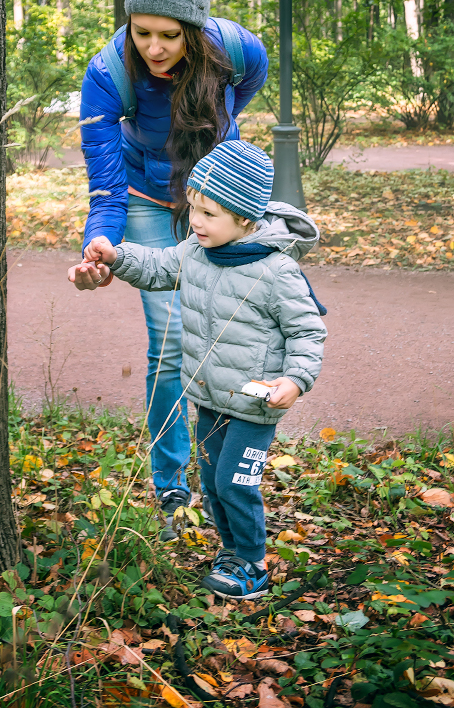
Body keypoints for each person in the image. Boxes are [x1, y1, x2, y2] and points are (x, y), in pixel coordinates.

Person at [69, 0, 268, 536]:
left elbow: (244, 91)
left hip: (211, 201)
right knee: (172, 338)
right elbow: (105, 191)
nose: (153, 48)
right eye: (141, 32)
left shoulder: (235, 49)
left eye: (168, 35)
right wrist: (98, 249)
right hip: (148, 203)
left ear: (194, 30)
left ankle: (223, 476)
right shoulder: (108, 75)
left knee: (225, 333)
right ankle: (171, 487)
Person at [76, 140, 327, 601]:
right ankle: (229, 553)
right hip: (208, 395)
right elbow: (156, 268)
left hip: (254, 400)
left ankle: (251, 563)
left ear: (245, 220)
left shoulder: (276, 271)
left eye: (209, 213)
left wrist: (295, 380)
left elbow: (308, 333)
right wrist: (116, 255)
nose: (195, 221)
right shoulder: (196, 251)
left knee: (235, 481)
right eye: (193, 208)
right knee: (211, 483)